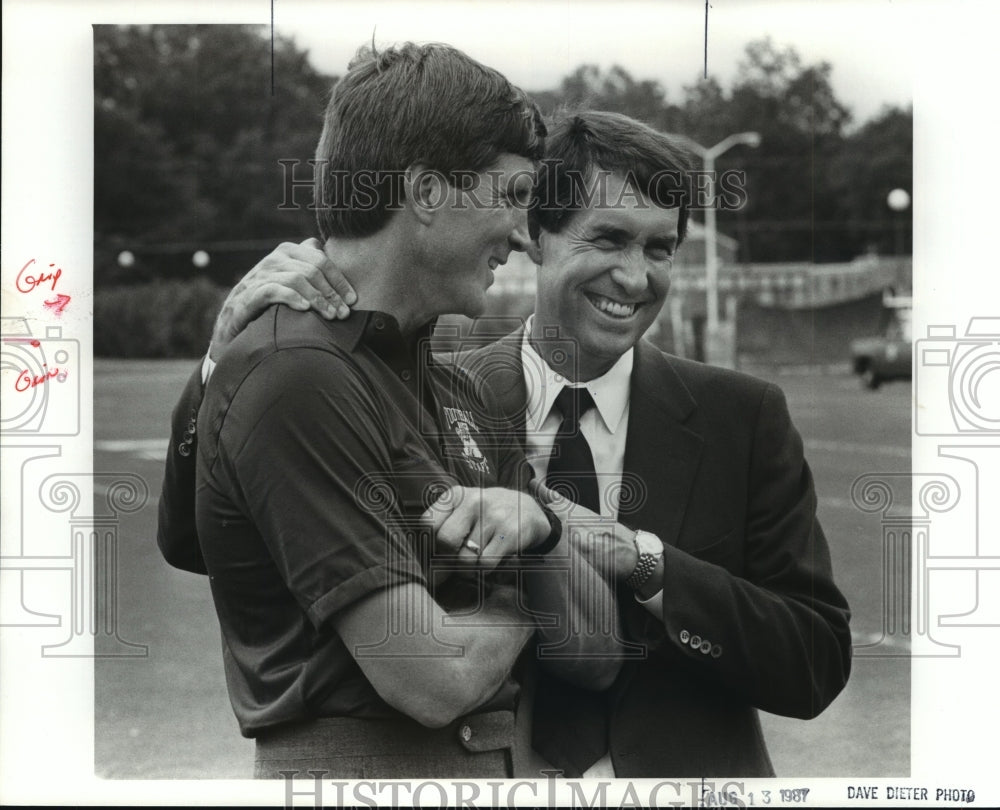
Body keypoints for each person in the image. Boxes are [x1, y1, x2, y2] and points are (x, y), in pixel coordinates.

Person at [163, 109, 853, 777]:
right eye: (608, 240)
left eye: (659, 248)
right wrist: (222, 363)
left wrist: (648, 563)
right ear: (536, 235)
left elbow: (815, 661)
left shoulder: (743, 416)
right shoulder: (443, 392)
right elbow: (205, 540)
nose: (637, 277)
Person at [167, 43, 624, 780]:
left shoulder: (461, 392)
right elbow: (428, 676)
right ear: (428, 193)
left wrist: (540, 535)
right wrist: (519, 605)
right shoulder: (298, 373)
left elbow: (598, 655)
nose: (522, 237)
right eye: (510, 197)